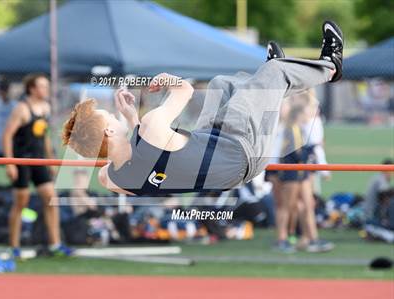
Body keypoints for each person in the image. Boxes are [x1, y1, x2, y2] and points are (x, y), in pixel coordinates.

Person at [62, 21, 343, 197]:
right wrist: (166, 79)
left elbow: (138, 162)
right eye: (108, 116)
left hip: (220, 159)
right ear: (110, 130)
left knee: (222, 84)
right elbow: (183, 89)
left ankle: (273, 86)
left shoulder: (109, 178)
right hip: (238, 150)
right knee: (274, 71)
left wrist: (129, 118)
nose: (113, 112)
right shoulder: (151, 125)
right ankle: (331, 67)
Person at [3, 73, 72, 258]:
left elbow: (45, 136)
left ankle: (55, 244)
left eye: (47, 86)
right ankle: (14, 247)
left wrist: (51, 160)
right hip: (21, 161)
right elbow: (7, 135)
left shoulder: (46, 107)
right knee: (21, 202)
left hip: (39, 160)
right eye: (42, 86)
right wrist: (10, 164)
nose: (46, 90)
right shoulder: (22, 109)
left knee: (51, 198)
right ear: (32, 88)